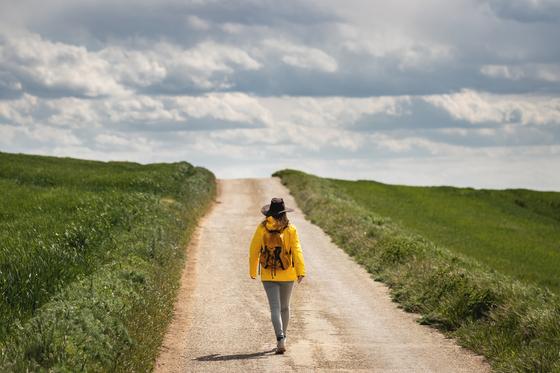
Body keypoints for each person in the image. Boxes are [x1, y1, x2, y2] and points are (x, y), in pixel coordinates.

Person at [249, 197, 306, 354]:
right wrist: (301, 271)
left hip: (268, 274)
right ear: (284, 213)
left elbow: (254, 250)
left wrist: (253, 270)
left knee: (274, 308)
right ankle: (284, 337)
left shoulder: (262, 228)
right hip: (287, 274)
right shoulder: (290, 229)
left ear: (269, 213)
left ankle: (280, 338)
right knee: (285, 307)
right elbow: (297, 251)